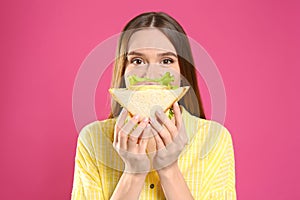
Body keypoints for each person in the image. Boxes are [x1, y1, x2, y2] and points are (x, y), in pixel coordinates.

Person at [71, 12, 236, 200]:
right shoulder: (92, 139)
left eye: (166, 61)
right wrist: (133, 173)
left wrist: (169, 169)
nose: (151, 74)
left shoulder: (215, 138)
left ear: (182, 71)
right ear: (123, 70)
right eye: (137, 61)